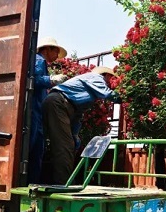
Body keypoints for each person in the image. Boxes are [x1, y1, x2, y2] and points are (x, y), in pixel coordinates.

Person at [42, 66, 120, 184]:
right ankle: (63, 184)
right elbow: (107, 94)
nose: (111, 81)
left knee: (66, 144)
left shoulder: (87, 91)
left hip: (60, 104)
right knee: (64, 146)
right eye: (111, 77)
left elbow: (77, 114)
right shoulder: (97, 77)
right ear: (106, 75)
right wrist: (125, 97)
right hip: (58, 103)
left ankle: (61, 181)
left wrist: (75, 135)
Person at [28, 37, 67, 184]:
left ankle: (30, 184)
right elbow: (33, 80)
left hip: (37, 113)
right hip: (33, 112)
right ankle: (29, 186)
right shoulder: (39, 60)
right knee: (32, 152)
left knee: (36, 152)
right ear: (47, 49)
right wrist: (51, 80)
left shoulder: (40, 62)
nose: (57, 55)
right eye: (56, 50)